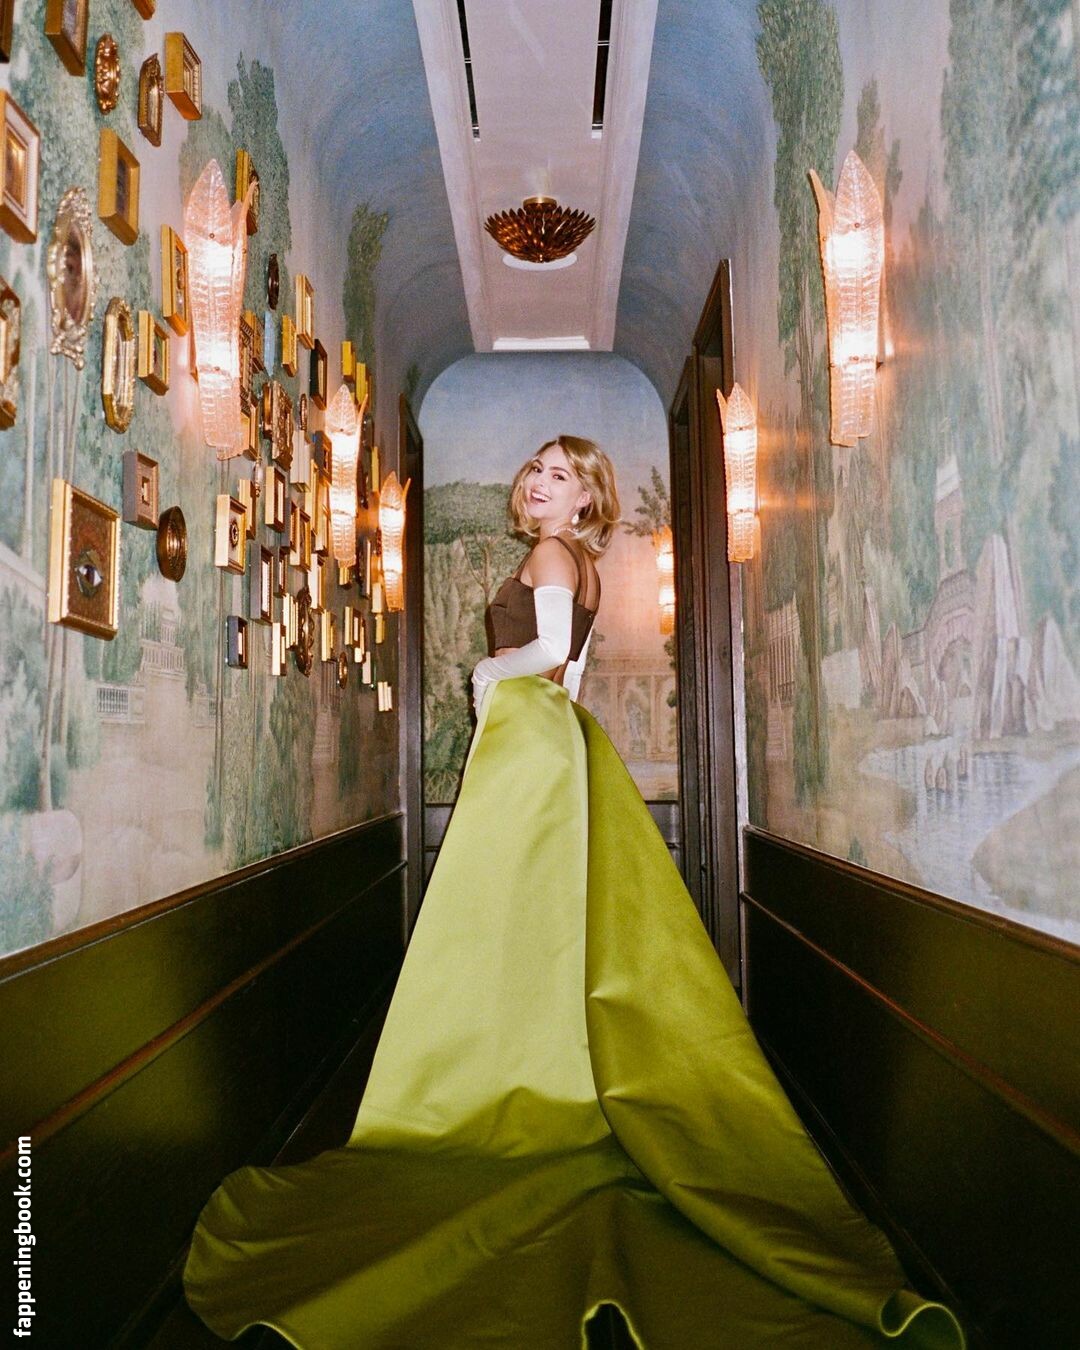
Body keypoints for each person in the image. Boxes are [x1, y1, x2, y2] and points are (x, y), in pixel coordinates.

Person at [184, 438, 965, 1349]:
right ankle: (542, 1070)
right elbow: (578, 675)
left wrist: (488, 676)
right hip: (554, 732)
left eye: (559, 475)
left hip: (529, 733)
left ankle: (501, 1080)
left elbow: (551, 652)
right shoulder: (585, 566)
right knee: (544, 918)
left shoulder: (555, 553)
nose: (537, 481)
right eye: (536, 469)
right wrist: (532, 707)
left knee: (502, 916)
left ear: (586, 499)